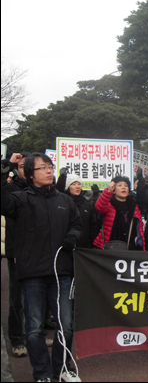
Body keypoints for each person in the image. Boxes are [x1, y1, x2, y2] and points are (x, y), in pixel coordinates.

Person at [1, 152, 83, 382]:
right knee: (35, 328)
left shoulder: (64, 200)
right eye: (42, 168)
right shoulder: (19, 199)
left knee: (65, 325)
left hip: (62, 273)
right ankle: (42, 374)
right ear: (30, 174)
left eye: (50, 166)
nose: (49, 171)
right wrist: (6, 167)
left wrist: (72, 237)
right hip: (32, 274)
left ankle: (62, 369)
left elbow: (77, 224)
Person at [1, 152, 30, 358]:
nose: (26, 170)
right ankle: (17, 339)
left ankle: (34, 334)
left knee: (38, 296)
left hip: (40, 252)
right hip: (17, 251)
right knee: (16, 298)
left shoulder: (44, 190)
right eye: (21, 166)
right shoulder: (10, 190)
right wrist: (6, 164)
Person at [93, 176, 145, 250]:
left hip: (129, 248)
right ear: (114, 190)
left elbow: (139, 228)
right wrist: (108, 191)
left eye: (126, 185)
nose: (123, 188)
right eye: (120, 185)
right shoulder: (109, 203)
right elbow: (99, 207)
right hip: (109, 247)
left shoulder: (133, 206)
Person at [55, 172, 100, 249]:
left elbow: (92, 224)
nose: (77, 187)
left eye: (79, 184)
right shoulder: (63, 203)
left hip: (84, 246)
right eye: (73, 184)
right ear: (68, 187)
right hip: (67, 245)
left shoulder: (86, 203)